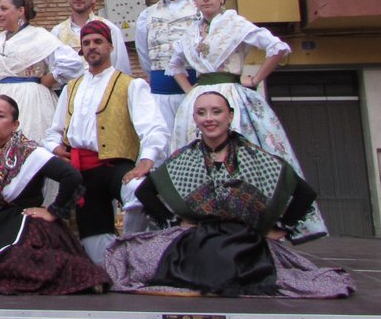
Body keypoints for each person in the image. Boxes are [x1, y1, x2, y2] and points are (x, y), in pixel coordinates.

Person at [105, 92, 353, 298]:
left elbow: (304, 193)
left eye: (216, 112)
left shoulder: (255, 156)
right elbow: (147, 191)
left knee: (219, 261)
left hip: (244, 242)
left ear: (230, 116)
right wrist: (173, 222)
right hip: (196, 237)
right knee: (125, 255)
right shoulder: (185, 157)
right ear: (195, 119)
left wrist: (280, 228)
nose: (209, 118)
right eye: (201, 113)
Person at [167, 0, 327, 239]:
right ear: (194, 0)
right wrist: (190, 93)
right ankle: (203, 223)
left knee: (243, 158)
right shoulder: (190, 33)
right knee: (196, 161)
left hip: (233, 98)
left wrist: (255, 78)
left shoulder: (235, 24)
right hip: (199, 99)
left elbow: (276, 47)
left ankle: (255, 224)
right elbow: (175, 67)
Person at [0, 95, 108, 294]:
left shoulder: (29, 152)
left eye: (1, 116)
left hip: (28, 224)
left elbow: (71, 176)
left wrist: (53, 211)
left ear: (15, 125)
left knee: (22, 259)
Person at [43, 21, 169, 263]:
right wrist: (56, 148)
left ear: (110, 46)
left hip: (115, 166)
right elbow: (53, 132)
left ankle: (137, 253)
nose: (92, 47)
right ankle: (112, 268)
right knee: (95, 246)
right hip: (83, 172)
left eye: (98, 42)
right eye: (87, 43)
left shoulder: (131, 85)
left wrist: (146, 160)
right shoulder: (71, 88)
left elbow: (154, 127)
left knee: (139, 193)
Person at [0, 0, 83, 140]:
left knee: (29, 143)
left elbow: (73, 63)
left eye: (4, 9)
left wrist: (50, 78)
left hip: (30, 101)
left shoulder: (39, 36)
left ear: (20, 11)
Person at [135, 0, 199, 130]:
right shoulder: (147, 15)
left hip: (196, 93)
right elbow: (144, 54)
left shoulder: (200, 10)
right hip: (160, 95)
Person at [51, 0, 132, 76]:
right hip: (69, 90)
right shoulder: (57, 32)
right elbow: (52, 70)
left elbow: (121, 68)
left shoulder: (109, 28)